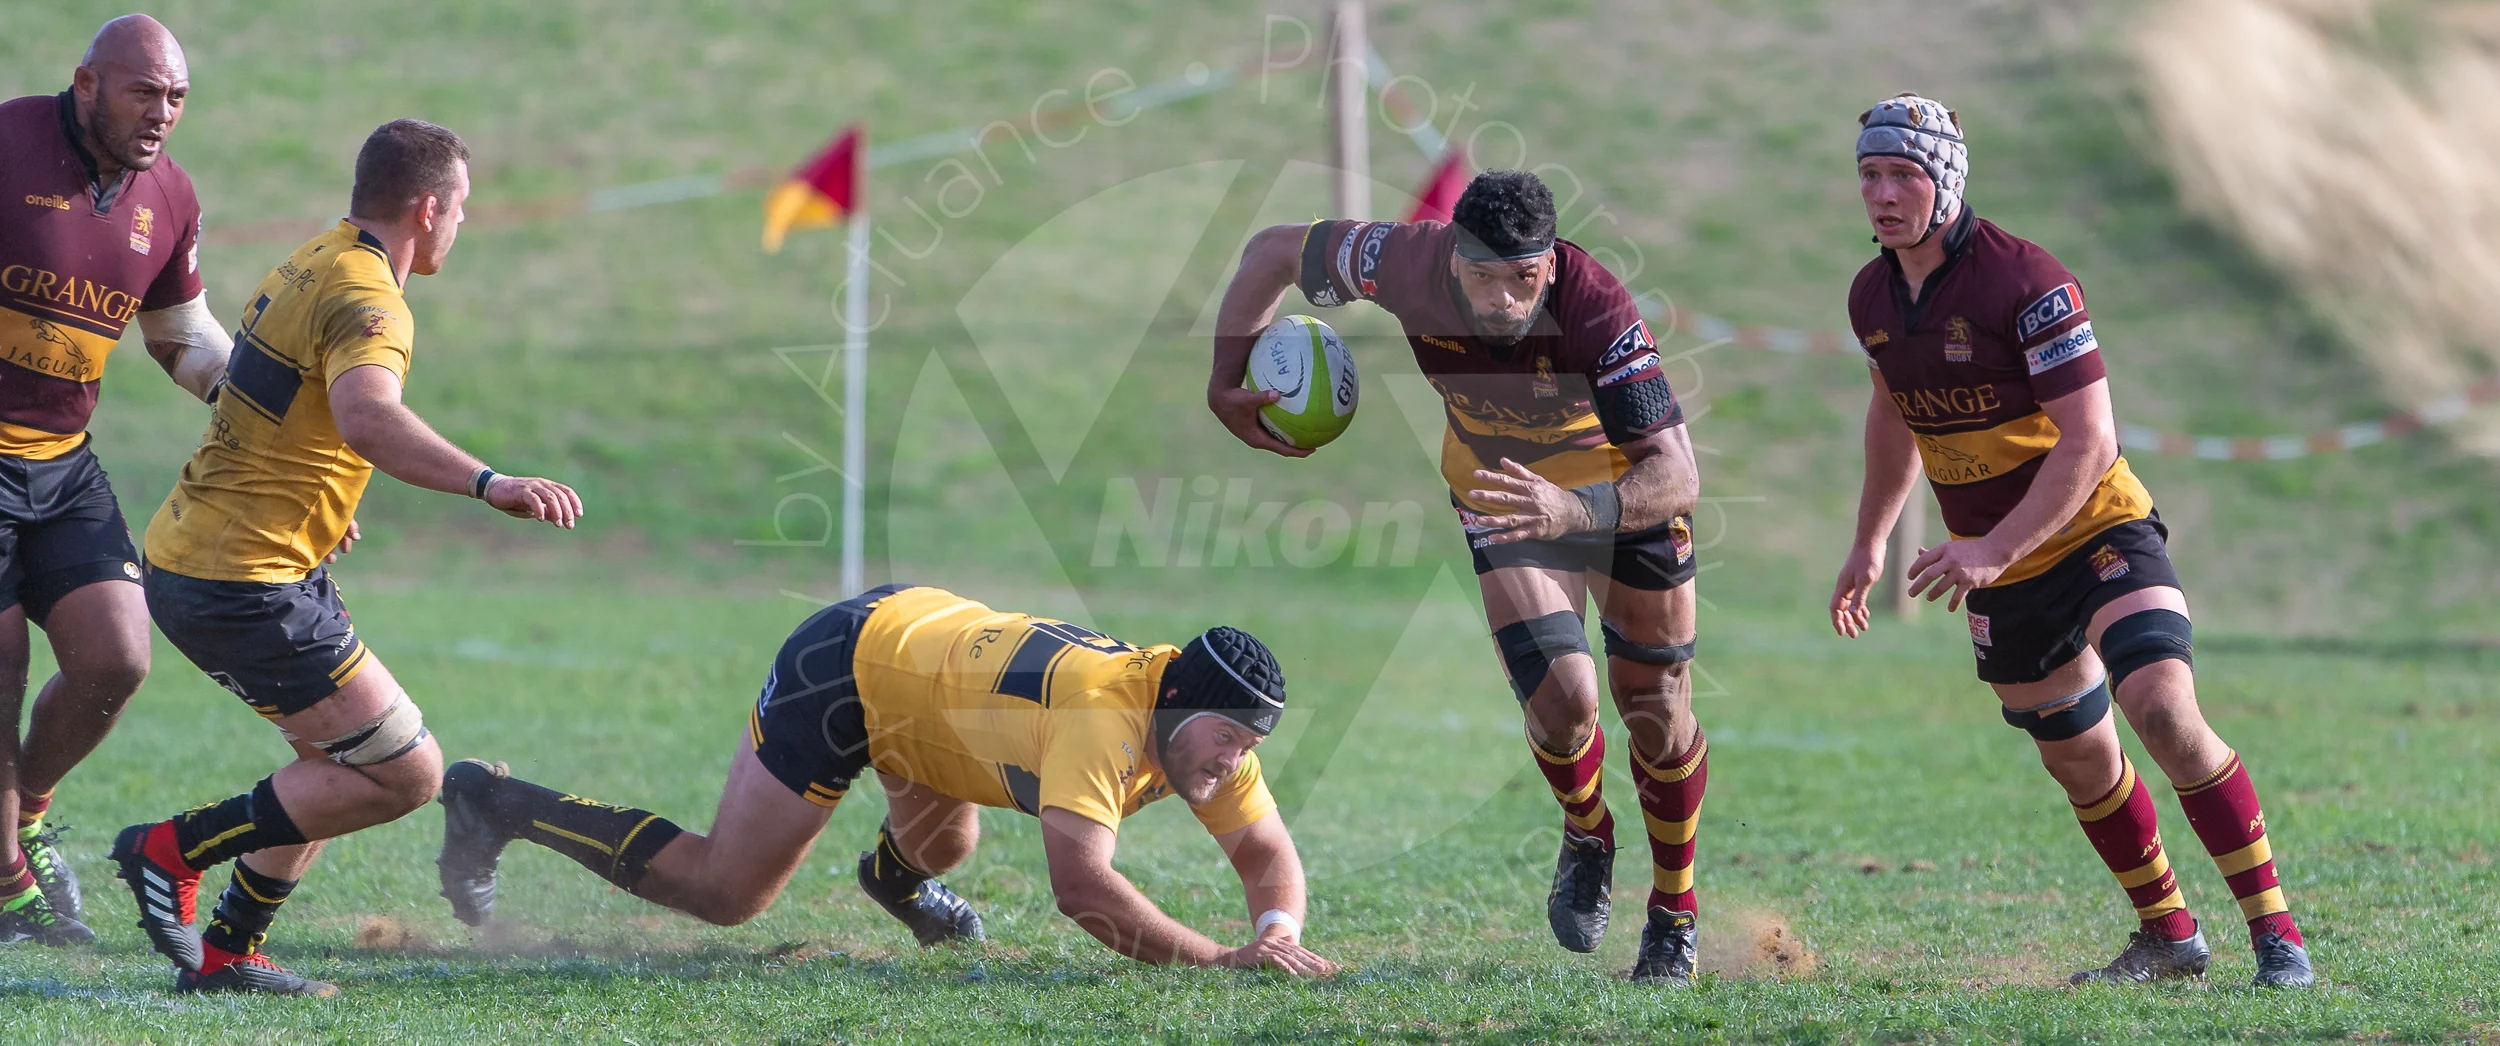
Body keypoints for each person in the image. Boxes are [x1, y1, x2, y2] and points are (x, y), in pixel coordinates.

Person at [1829, 93, 2314, 988]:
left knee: (2164, 711)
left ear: (1945, 181)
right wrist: (1870, 541)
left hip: (2096, 528)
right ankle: (2169, 934)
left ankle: (2276, 935)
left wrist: (1989, 549)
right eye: (1869, 175)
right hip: (1998, 563)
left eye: (1903, 173)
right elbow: (1893, 413)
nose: (1884, 193)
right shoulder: (1873, 296)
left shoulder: (2028, 282)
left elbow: (2089, 443)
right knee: (2080, 760)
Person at [108, 118, 584, 996]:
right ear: (428, 207)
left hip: (224, 554)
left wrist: (316, 501)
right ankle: (167, 851)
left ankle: (229, 953)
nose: (463, 227)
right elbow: (368, 418)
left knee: (336, 766)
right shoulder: (374, 300)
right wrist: (491, 482)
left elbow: (264, 395)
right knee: (406, 773)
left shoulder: (310, 259)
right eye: (463, 210)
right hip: (240, 580)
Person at [1208, 172, 1705, 982]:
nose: (1505, 299)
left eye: (1524, 278)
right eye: (1484, 277)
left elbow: (1676, 476)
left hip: (1617, 497)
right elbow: (1271, 253)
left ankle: (1673, 910)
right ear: (1454, 259)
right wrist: (1222, 382)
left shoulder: (1596, 308)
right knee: (1566, 701)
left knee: (1653, 708)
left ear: (1549, 263)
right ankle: (1588, 830)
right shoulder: (1402, 261)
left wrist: (1574, 510)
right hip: (1500, 486)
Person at [433, 584, 1336, 977]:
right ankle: (495, 803)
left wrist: (1278, 932)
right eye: (1227, 737)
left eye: (1251, 745)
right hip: (851, 673)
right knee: (725, 891)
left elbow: (1266, 853)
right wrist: (1223, 961)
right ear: (1176, 699)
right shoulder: (1107, 717)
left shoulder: (1197, 735)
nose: (1234, 762)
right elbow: (1082, 889)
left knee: (949, 841)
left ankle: (893, 878)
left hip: (934, 672)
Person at [0, 14, 239, 945]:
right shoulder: (9, 142)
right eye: (146, 92)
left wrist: (258, 402)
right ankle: (13, 896)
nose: (162, 114)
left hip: (61, 466)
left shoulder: (168, 196)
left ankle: (22, 816)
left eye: (176, 97)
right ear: (88, 82)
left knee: (115, 659)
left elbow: (180, 338)